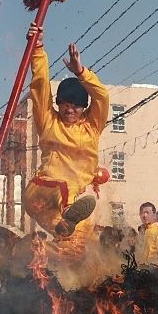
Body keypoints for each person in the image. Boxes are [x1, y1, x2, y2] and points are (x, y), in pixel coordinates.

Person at [22, 25, 108, 243]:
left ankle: (26, 257)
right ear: (58, 104)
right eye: (65, 105)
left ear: (84, 107)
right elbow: (40, 86)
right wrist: (37, 47)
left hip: (55, 210)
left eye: (76, 106)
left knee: (78, 243)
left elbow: (102, 97)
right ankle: (70, 209)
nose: (70, 110)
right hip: (42, 191)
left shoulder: (92, 127)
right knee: (65, 184)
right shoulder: (49, 122)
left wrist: (81, 73)